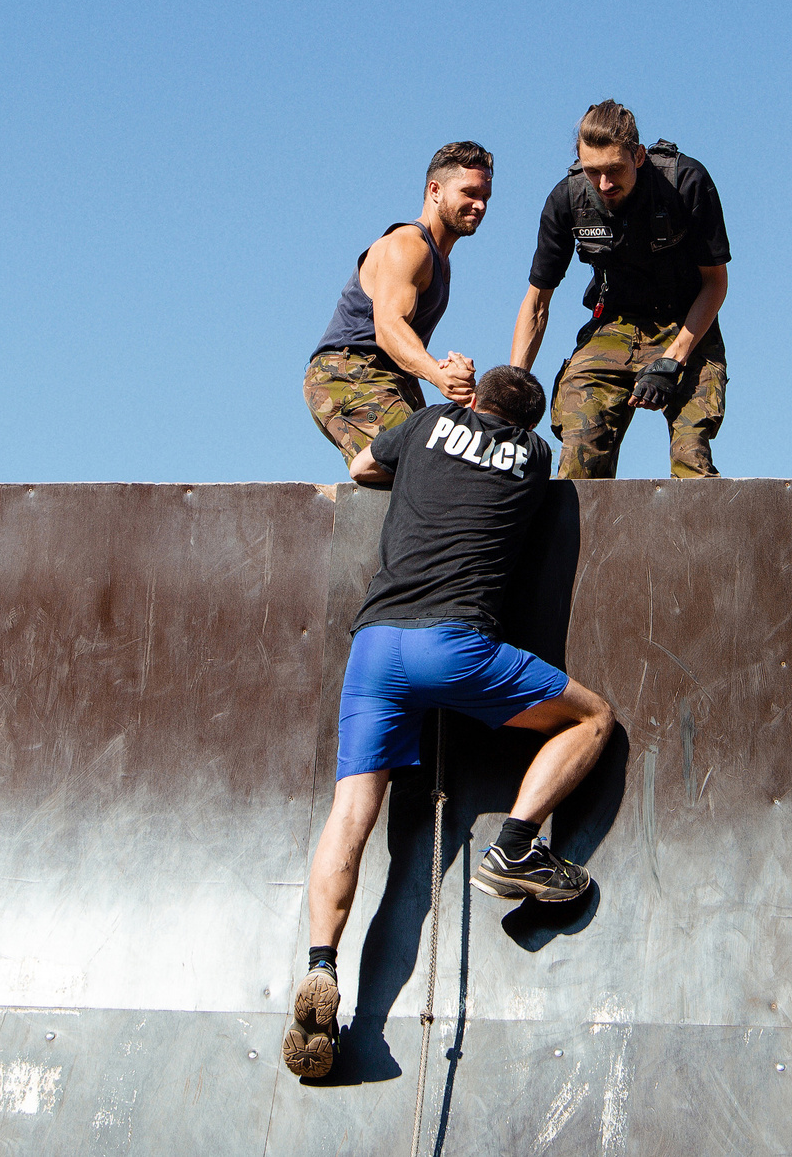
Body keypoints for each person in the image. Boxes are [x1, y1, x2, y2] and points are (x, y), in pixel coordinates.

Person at [283, 365, 617, 1081]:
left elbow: (364, 463)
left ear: (475, 401)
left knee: (349, 815)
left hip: (377, 643)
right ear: (525, 423)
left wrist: (432, 427)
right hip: (455, 645)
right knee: (592, 718)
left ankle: (320, 965)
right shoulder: (531, 456)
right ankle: (520, 847)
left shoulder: (428, 422)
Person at [510, 102, 732, 479]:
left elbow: (715, 283)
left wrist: (672, 360)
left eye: (615, 169)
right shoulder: (567, 199)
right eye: (592, 171)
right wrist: (511, 394)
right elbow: (536, 303)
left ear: (639, 155)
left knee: (690, 454)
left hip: (686, 322)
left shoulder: (685, 182)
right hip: (613, 323)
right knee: (579, 449)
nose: (604, 184)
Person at [304, 142, 493, 468]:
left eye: (485, 197)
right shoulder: (409, 246)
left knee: (455, 460)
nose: (479, 205)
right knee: (429, 463)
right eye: (469, 193)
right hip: (347, 373)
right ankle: (368, 466)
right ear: (435, 190)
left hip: (389, 379)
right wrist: (439, 374)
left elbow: (403, 356)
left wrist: (445, 398)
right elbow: (389, 328)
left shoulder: (441, 263)